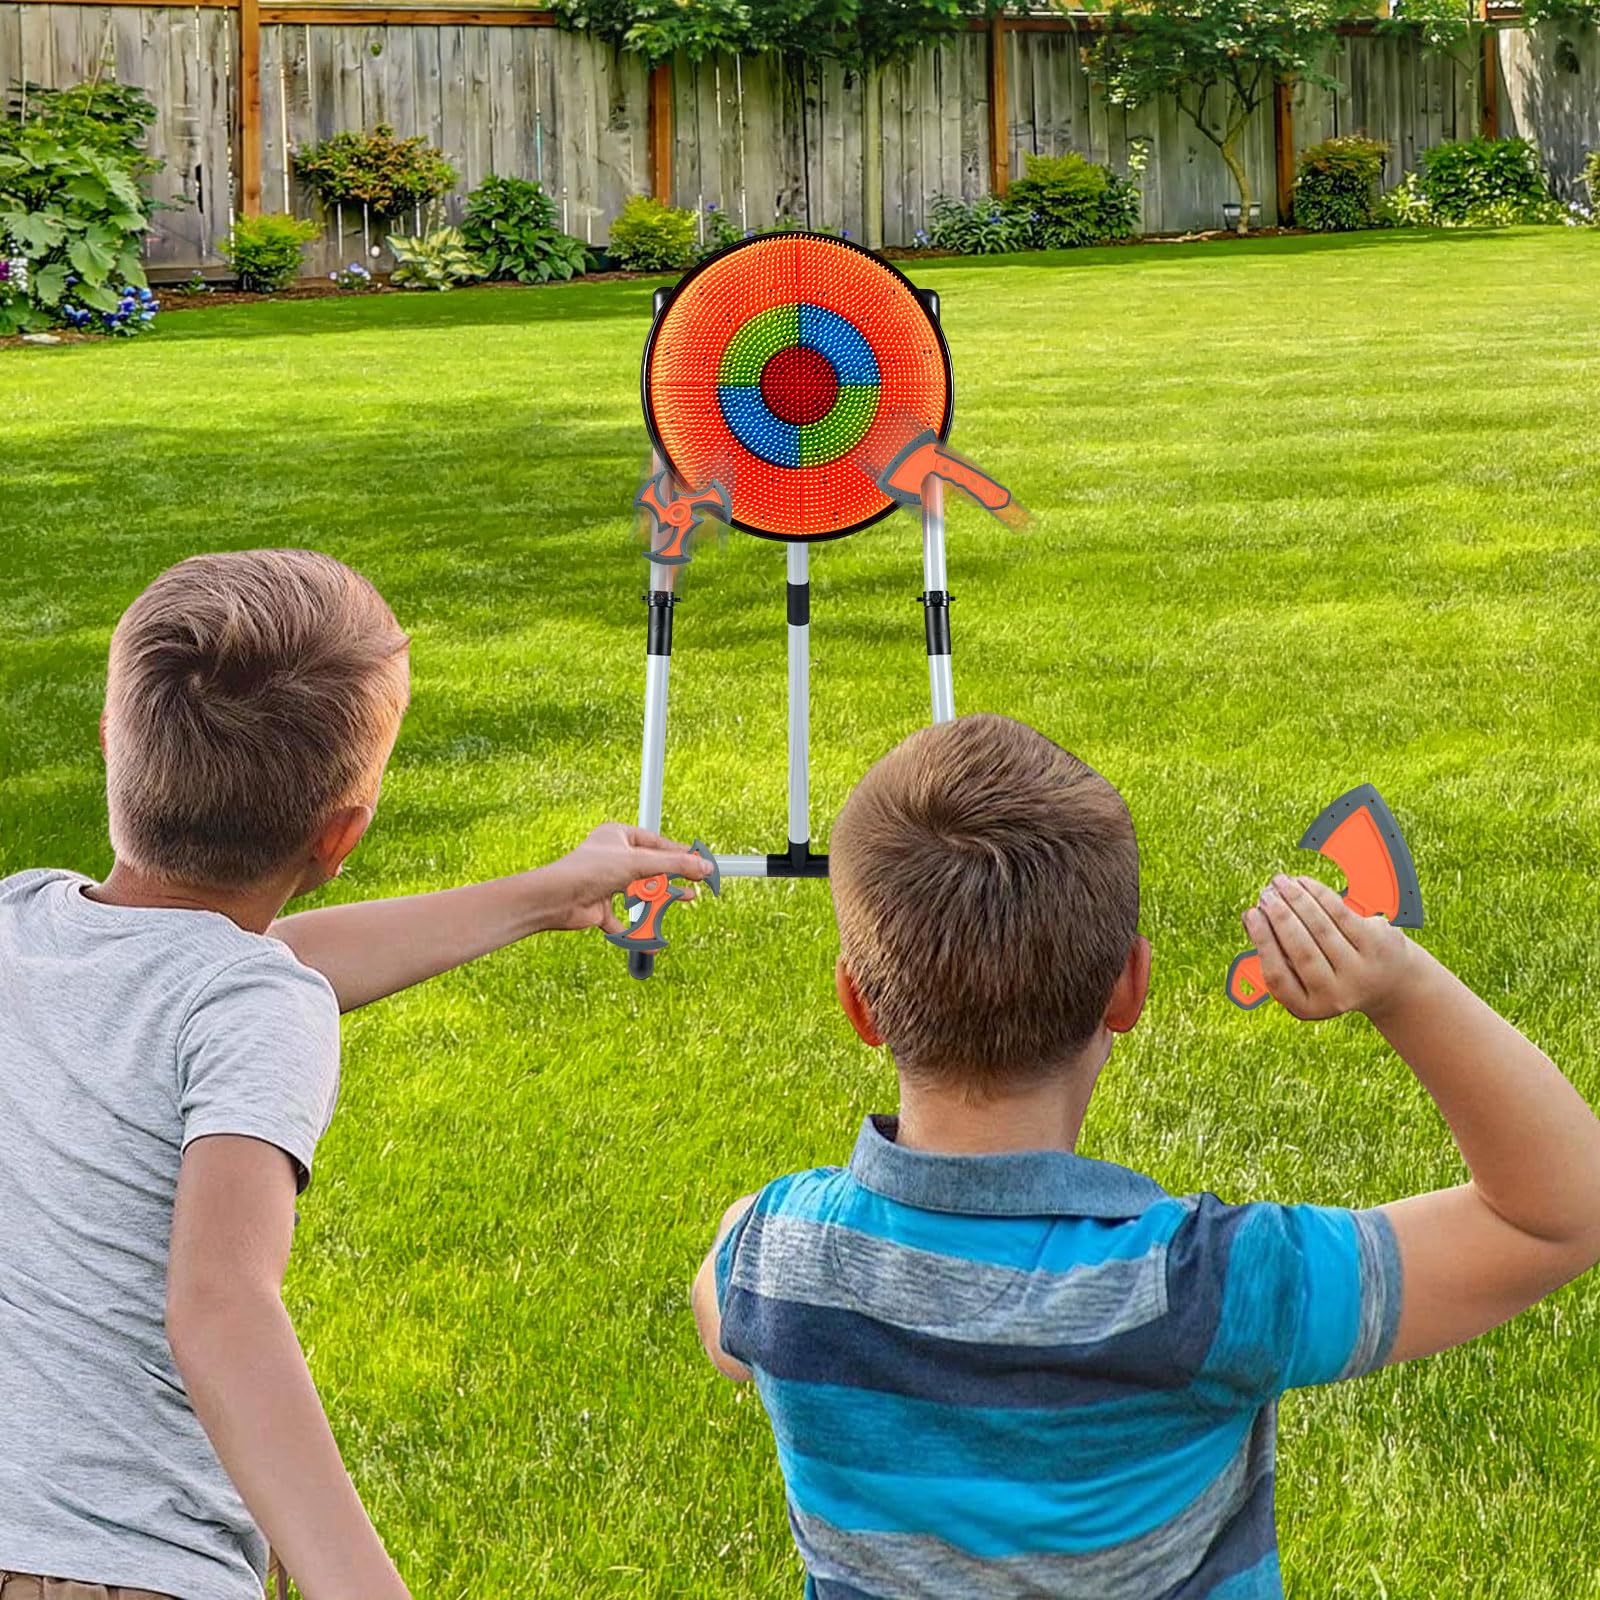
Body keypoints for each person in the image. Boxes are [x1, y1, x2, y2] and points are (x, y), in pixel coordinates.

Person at [691, 712, 1600, 1598]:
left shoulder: (773, 1260)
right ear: (1129, 987)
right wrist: (1400, 985)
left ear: (858, 1004)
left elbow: (720, 1308)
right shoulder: (1207, 1288)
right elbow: (1559, 1214)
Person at [0, 548, 709, 1600]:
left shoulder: (23, 919)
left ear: (112, 740)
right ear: (342, 837)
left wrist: (551, 894)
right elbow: (220, 1308)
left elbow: (247, 965)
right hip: (117, 1573)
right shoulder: (249, 1004)